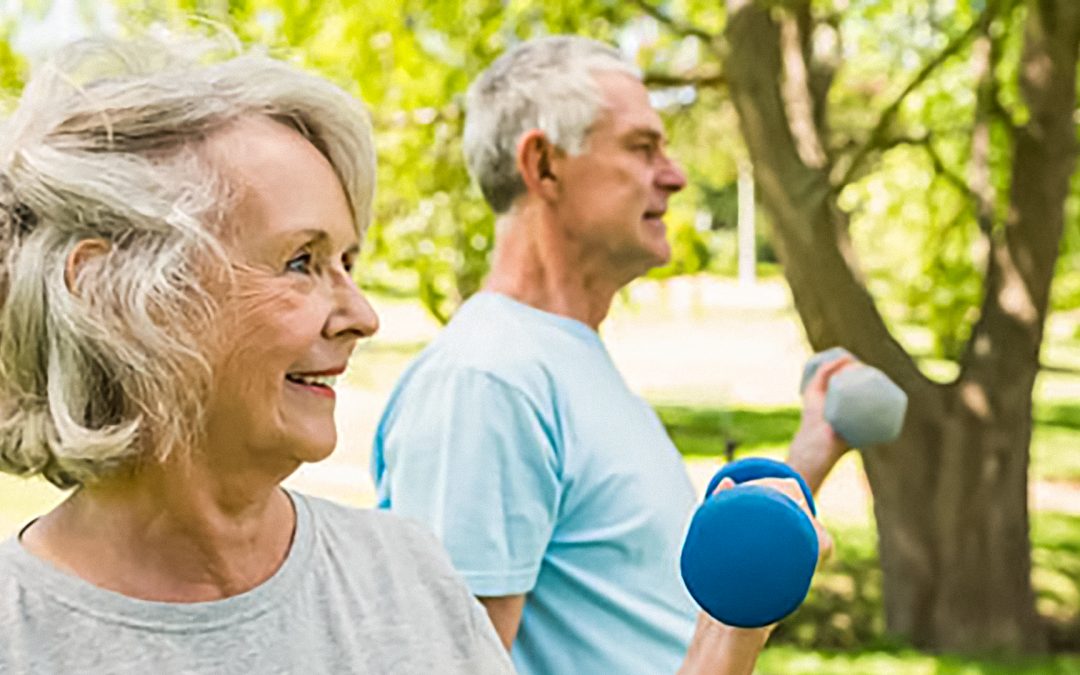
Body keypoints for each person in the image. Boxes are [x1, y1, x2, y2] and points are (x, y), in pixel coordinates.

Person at [0, 37, 512, 674]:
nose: (362, 317)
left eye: (347, 264)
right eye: (302, 262)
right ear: (113, 297)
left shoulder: (406, 577)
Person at [372, 36, 850, 674]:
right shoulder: (488, 380)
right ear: (543, 165)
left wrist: (806, 460)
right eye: (641, 147)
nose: (675, 176)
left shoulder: (557, 358)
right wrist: (735, 635)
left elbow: (647, 613)